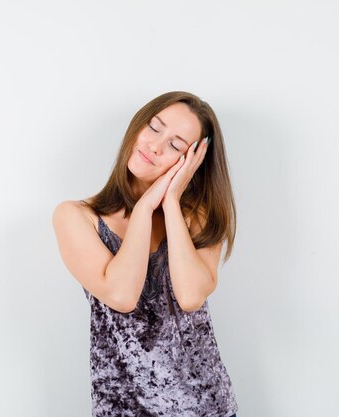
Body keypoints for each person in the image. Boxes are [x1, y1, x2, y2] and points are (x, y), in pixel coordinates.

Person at [52, 91, 239, 417]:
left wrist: (169, 203)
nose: (155, 145)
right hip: (124, 409)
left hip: (207, 407)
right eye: (154, 127)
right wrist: (143, 210)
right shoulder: (75, 217)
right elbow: (122, 295)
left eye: (176, 145)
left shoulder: (197, 216)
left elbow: (190, 295)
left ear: (191, 161)